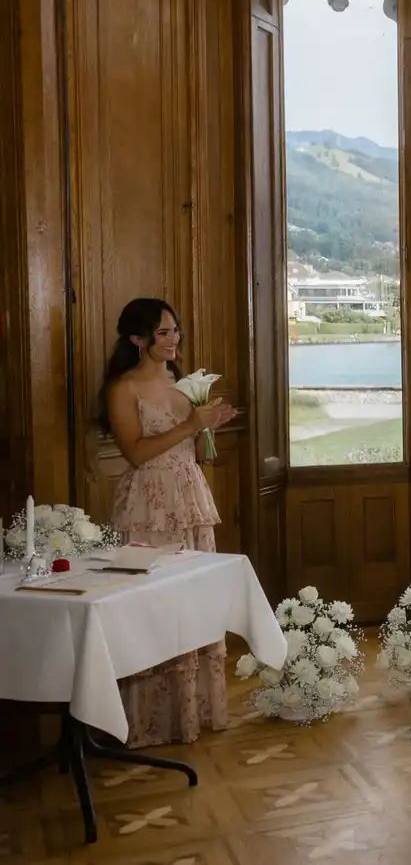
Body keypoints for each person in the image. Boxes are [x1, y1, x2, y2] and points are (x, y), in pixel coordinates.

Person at [101, 297, 238, 748]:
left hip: (191, 499)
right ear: (137, 339)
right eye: (163, 332)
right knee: (151, 609)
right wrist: (191, 424)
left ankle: (191, 716)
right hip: (149, 505)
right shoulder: (124, 389)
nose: (174, 338)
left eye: (175, 330)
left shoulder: (181, 383)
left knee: (192, 605)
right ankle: (147, 723)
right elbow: (136, 453)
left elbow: (195, 451)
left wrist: (209, 427)